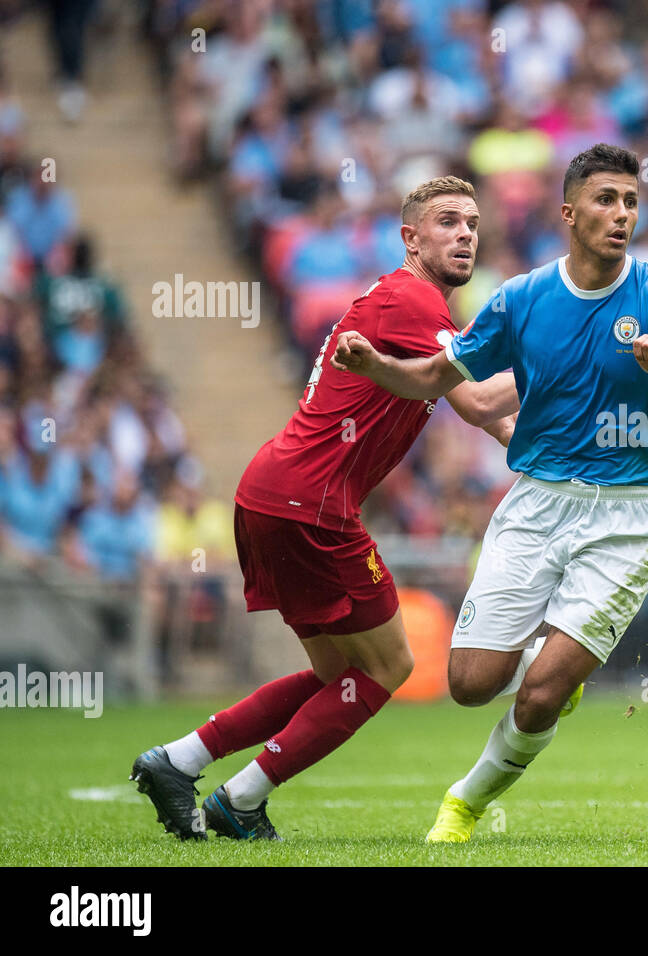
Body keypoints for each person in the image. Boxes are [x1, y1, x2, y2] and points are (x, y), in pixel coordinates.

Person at [331, 143, 648, 842]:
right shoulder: (520, 298)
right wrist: (376, 363)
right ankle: (550, 669)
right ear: (570, 213)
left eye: (632, 202)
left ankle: (464, 802)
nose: (622, 214)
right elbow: (436, 379)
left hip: (631, 515)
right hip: (538, 503)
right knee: (469, 683)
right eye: (607, 200)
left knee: (542, 690)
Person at [130, 176, 519, 840]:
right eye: (448, 221)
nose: (464, 234)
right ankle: (242, 797)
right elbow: (481, 402)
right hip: (310, 504)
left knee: (336, 675)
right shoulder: (412, 299)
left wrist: (542, 452)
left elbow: (483, 417)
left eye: (473, 224)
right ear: (411, 237)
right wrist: (578, 364)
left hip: (273, 493)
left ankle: (178, 760)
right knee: (390, 666)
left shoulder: (408, 308)